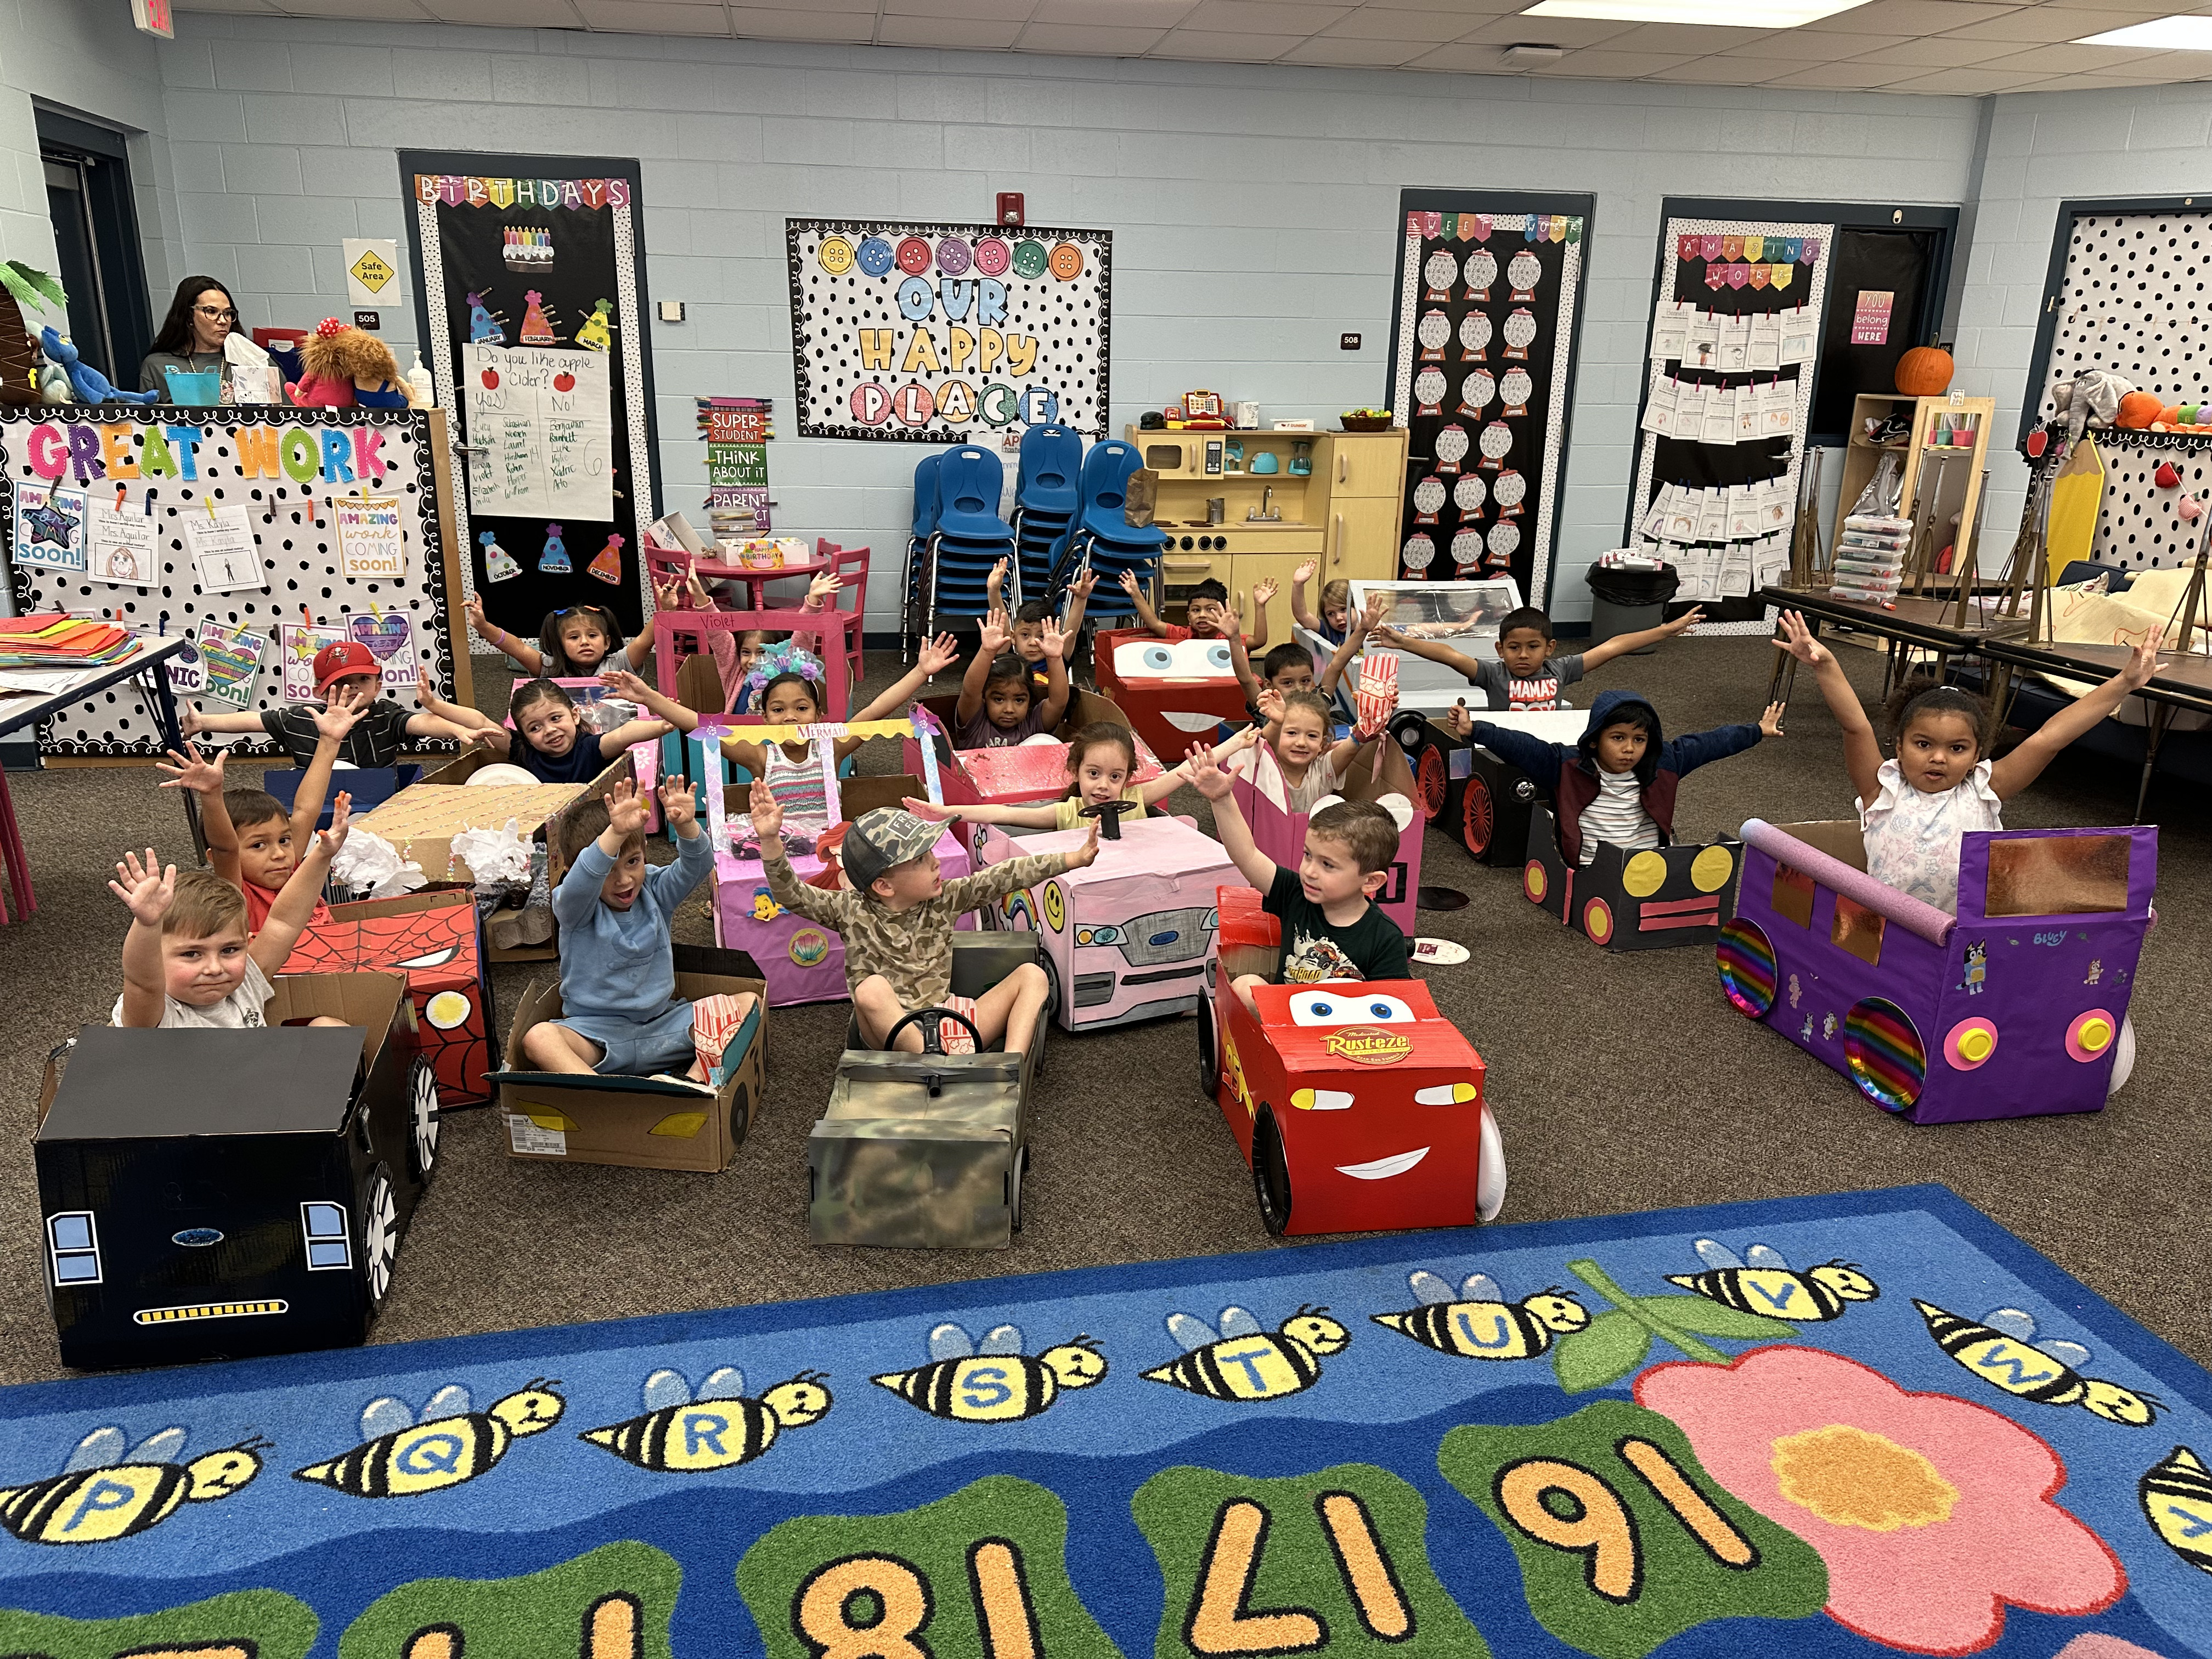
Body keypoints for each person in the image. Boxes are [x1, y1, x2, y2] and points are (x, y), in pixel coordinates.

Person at [1776, 611, 2164, 912]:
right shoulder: (1883, 791)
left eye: (1957, 748)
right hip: (1887, 929)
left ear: (1978, 755)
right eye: (1923, 744)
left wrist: (2124, 683)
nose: (1939, 757)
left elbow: (2050, 738)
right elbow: (1856, 728)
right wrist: (1826, 666)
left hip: (1963, 937)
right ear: (1898, 746)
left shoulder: (1982, 790)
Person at [751, 787, 1099, 1056]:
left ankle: (1009, 1072)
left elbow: (1005, 876)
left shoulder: (944, 899)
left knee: (1033, 975)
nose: (936, 864)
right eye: (920, 860)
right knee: (871, 990)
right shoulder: (850, 909)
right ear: (883, 886)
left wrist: (1073, 858)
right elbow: (793, 894)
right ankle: (932, 1065)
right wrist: (770, 840)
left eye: (931, 853)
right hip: (889, 1036)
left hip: (946, 1021)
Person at [519, 775, 736, 1088]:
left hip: (665, 1025)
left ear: (645, 854)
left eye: (633, 862)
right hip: (595, 1035)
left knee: (744, 1004)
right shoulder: (576, 907)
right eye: (608, 869)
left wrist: (688, 826)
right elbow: (582, 879)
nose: (624, 881)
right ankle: (610, 1096)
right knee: (539, 1038)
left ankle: (692, 1085)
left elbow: (698, 866)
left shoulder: (654, 890)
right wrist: (615, 833)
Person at [1186, 742, 1408, 1007]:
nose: (1310, 871)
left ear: (1371, 881)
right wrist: (1222, 799)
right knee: (1246, 986)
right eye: (1307, 855)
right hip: (1286, 1021)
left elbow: (1395, 1009)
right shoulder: (1296, 892)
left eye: (1328, 865)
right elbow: (1247, 856)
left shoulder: (1385, 937)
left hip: (1348, 1034)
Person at [1457, 687, 1781, 868]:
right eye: (1618, 739)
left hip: (1649, 863)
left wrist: (1757, 731)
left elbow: (1711, 743)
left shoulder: (1665, 762)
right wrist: (1477, 730)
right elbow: (1524, 747)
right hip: (1589, 869)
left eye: (1639, 740)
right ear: (1596, 739)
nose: (1629, 749)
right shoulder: (1567, 765)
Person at [108, 795, 353, 1029]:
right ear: (157, 958)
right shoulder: (156, 1013)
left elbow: (284, 922)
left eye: (229, 950)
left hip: (260, 1070)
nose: (215, 968)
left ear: (247, 945)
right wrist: (147, 925)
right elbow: (142, 983)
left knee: (329, 1027)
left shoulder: (246, 981)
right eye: (192, 954)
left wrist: (322, 854)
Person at [716, 635, 962, 856]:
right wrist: (674, 714)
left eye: (802, 708)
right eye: (779, 710)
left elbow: (875, 711)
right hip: (780, 854)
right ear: (766, 718)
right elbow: (705, 731)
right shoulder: (762, 756)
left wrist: (920, 671)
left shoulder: (830, 749)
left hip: (830, 851)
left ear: (818, 715)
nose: (790, 717)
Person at [156, 701, 356, 933]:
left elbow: (305, 811)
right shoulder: (237, 895)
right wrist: (211, 795)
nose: (279, 854)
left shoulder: (292, 872)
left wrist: (329, 742)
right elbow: (225, 848)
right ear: (211, 857)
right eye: (258, 845)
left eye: (284, 840)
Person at [901, 720, 1256, 834]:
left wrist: (1237, 742)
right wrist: (946, 811)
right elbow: (1006, 814)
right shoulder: (1067, 812)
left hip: (1129, 882)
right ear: (1077, 772)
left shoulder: (1137, 799)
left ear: (1128, 777)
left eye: (1115, 776)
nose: (1104, 784)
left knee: (1187, 824)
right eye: (1094, 774)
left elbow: (1186, 770)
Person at [181, 640, 476, 767]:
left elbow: (421, 723)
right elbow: (253, 720)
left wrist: (456, 730)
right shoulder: (303, 718)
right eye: (340, 683)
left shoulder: (385, 715)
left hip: (379, 802)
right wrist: (203, 722)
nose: (353, 688)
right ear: (321, 692)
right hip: (316, 804)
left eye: (363, 679)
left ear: (379, 685)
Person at [1379, 603, 1707, 714]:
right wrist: (1404, 641)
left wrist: (1665, 631)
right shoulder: (1494, 675)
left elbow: (1614, 646)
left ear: (1549, 648)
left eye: (1533, 647)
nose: (1523, 655)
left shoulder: (1561, 669)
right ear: (1500, 650)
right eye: (1513, 648)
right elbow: (1450, 654)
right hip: (1505, 750)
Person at [469, 674, 686, 785]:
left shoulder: (589, 748)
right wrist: (434, 704)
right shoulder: (524, 751)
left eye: (555, 718)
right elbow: (480, 721)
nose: (550, 730)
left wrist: (662, 726)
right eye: (535, 728)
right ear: (524, 735)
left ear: (574, 715)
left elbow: (623, 734)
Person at [954, 610, 1070, 748]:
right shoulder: (975, 722)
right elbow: (970, 692)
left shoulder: (1032, 723)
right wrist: (987, 652)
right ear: (984, 696)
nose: (1009, 709)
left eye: (1019, 700)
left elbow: (1059, 703)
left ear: (1030, 700)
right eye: (999, 699)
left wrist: (1055, 658)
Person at [461, 598, 656, 680]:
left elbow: (644, 641)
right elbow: (518, 649)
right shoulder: (552, 667)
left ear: (606, 642)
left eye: (592, 635)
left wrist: (665, 611)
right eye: (573, 637)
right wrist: (483, 626)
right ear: (561, 645)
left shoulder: (620, 663)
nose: (584, 642)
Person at [140, 275, 238, 398]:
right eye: (212, 311)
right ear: (188, 316)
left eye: (228, 313)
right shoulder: (158, 365)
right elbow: (147, 416)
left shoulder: (251, 361)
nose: (223, 321)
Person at [1117, 573, 1270, 651]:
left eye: (1210, 609)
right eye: (1196, 610)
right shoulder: (1184, 634)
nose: (1202, 615)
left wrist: (1260, 606)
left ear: (1224, 613)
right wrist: (1136, 594)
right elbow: (1155, 624)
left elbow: (1259, 641)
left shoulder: (1231, 639)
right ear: (1189, 617)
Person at [1289, 561, 1351, 647]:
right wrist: (1298, 585)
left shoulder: (1371, 630)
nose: (1339, 618)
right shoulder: (1330, 631)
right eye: (1331, 614)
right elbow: (1303, 617)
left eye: (1344, 609)